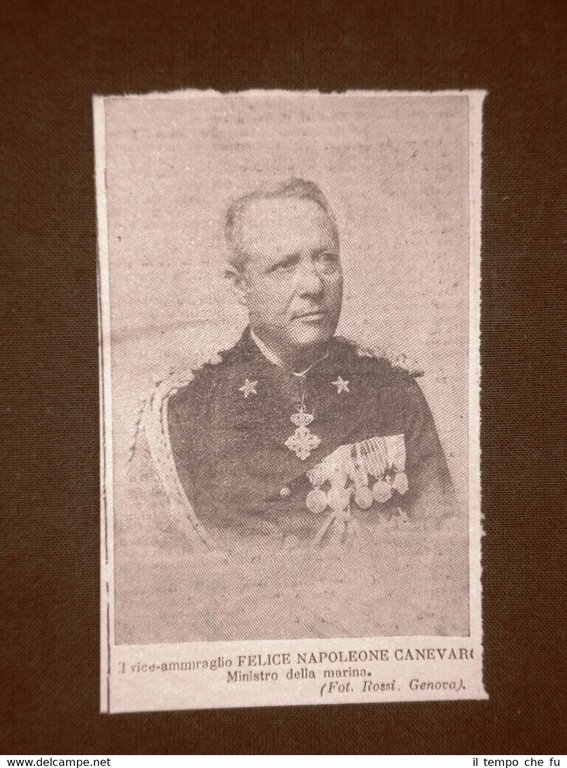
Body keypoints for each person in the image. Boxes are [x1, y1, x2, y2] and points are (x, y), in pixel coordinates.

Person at [141, 178, 456, 550]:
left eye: (327, 260)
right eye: (284, 266)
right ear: (240, 286)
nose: (314, 286)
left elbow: (439, 547)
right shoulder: (186, 411)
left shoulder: (391, 391)